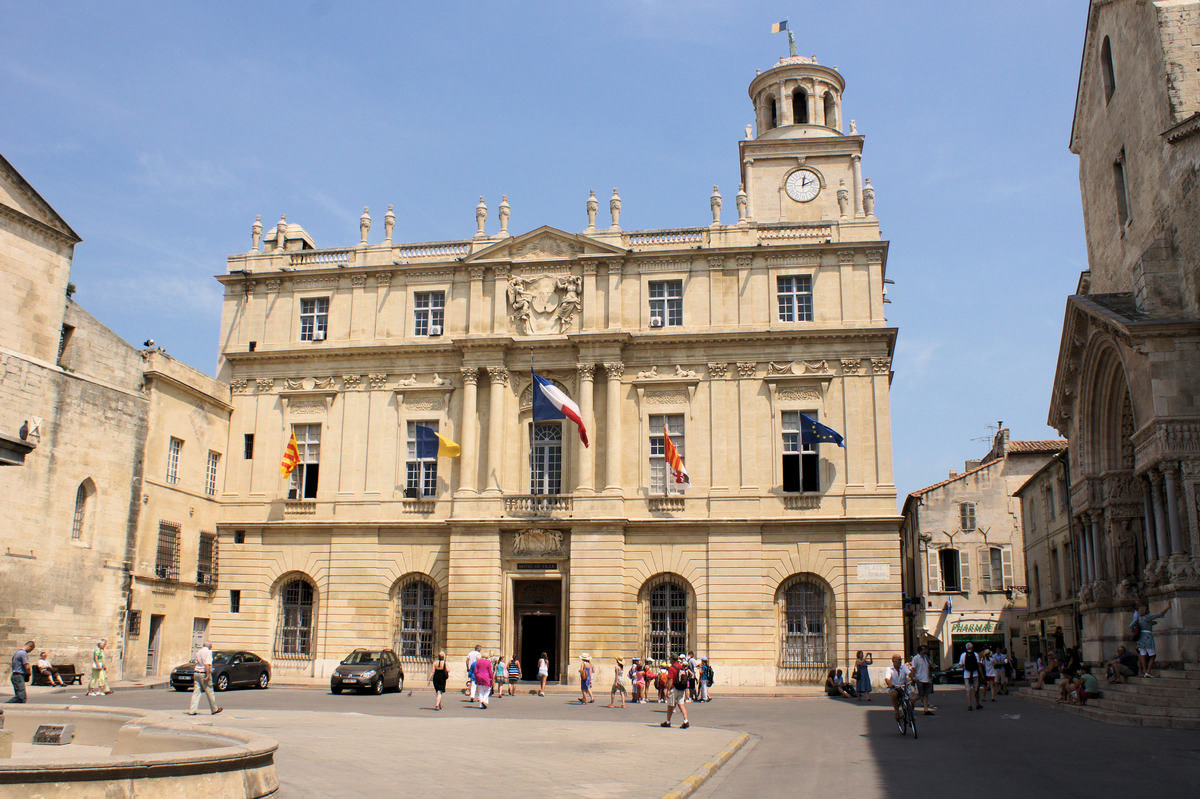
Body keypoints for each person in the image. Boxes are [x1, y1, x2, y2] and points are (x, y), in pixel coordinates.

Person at [187, 640, 223, 716]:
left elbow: (199, 662)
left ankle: (192, 710)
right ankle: (214, 709)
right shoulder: (208, 652)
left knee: (196, 692)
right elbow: (207, 664)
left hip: (197, 672)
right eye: (211, 645)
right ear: (209, 646)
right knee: (209, 691)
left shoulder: (199, 651)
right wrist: (208, 675)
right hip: (203, 673)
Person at [1133, 602, 1168, 677]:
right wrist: (1167, 607)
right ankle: (1148, 671)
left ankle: (1145, 670)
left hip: (1140, 638)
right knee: (1152, 655)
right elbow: (1160, 614)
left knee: (1143, 654)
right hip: (1147, 637)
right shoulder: (1148, 617)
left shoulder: (1139, 619)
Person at [661, 654, 691, 729]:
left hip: (674, 688)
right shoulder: (681, 666)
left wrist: (668, 690)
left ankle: (668, 721)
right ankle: (686, 721)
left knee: (670, 706)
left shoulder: (671, 668)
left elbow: (670, 679)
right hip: (681, 688)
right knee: (681, 705)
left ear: (672, 659)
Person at [883, 653, 913, 723]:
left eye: (900, 660)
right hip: (894, 687)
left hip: (903, 687)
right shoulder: (889, 669)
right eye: (898, 660)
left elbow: (909, 673)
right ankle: (897, 712)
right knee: (894, 694)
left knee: (909, 698)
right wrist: (889, 684)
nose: (900, 661)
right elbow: (887, 678)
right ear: (893, 661)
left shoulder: (904, 667)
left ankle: (910, 713)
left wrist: (913, 675)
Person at [910, 644, 935, 715]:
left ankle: (926, 709)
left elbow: (929, 665)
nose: (926, 651)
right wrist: (913, 677)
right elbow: (913, 668)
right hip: (919, 679)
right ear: (921, 650)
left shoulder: (926, 657)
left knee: (926, 694)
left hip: (926, 678)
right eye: (925, 649)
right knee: (920, 694)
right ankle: (912, 702)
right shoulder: (916, 658)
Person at [959, 643, 983, 711]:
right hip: (975, 674)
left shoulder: (963, 655)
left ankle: (969, 704)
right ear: (972, 648)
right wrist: (981, 674)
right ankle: (977, 703)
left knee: (968, 690)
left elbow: (961, 665)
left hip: (967, 674)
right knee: (976, 689)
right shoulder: (975, 654)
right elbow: (978, 664)